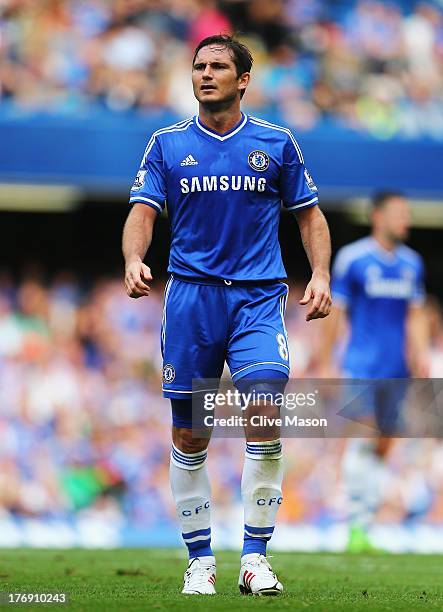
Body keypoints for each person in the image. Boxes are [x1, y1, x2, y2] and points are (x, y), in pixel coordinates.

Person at [122, 34, 331, 595]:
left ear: (243, 79)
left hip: (258, 298)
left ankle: (255, 557)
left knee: (264, 410)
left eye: (218, 66)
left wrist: (320, 274)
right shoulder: (166, 144)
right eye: (198, 66)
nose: (205, 73)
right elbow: (143, 209)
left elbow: (309, 215)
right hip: (191, 299)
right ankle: (200, 560)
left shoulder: (276, 142)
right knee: (191, 435)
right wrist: (135, 259)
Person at [315, 191, 429, 552]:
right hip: (361, 365)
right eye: (399, 214)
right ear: (378, 217)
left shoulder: (412, 264)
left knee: (383, 445)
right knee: (362, 437)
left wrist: (420, 356)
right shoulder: (354, 260)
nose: (405, 221)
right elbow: (337, 312)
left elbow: (414, 314)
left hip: (396, 368)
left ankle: (366, 523)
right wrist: (326, 358)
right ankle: (355, 525)